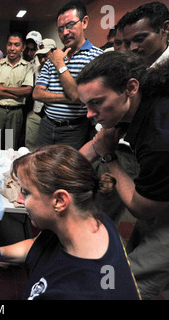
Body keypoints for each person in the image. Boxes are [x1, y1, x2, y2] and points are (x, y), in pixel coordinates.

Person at [0, 144, 141, 300]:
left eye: (26, 193)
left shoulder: (77, 291)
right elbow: (39, 247)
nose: (20, 200)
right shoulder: (93, 221)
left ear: (60, 200)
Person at [77, 50, 169, 300]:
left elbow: (140, 207)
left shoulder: (160, 137)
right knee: (137, 248)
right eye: (86, 104)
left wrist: (110, 158)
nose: (89, 113)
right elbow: (96, 144)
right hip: (159, 196)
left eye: (96, 102)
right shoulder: (132, 102)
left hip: (154, 205)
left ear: (130, 87)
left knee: (127, 284)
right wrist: (54, 172)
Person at [32, 0, 103, 150]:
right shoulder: (54, 56)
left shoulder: (97, 57)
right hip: (47, 123)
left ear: (84, 22)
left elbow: (81, 98)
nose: (65, 33)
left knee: (65, 171)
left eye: (70, 25)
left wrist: (60, 65)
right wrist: (69, 98)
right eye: (60, 29)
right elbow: (37, 93)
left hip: (74, 129)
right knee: (40, 166)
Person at [0, 32, 33, 150]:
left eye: (16, 45)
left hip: (15, 112)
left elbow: (27, 90)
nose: (12, 48)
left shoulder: (27, 67)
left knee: (10, 147)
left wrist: (3, 88)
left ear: (23, 48)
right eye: (9, 44)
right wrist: (17, 94)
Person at [121, 1, 169, 69]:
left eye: (139, 39)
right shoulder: (127, 68)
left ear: (165, 28)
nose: (132, 48)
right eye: (127, 43)